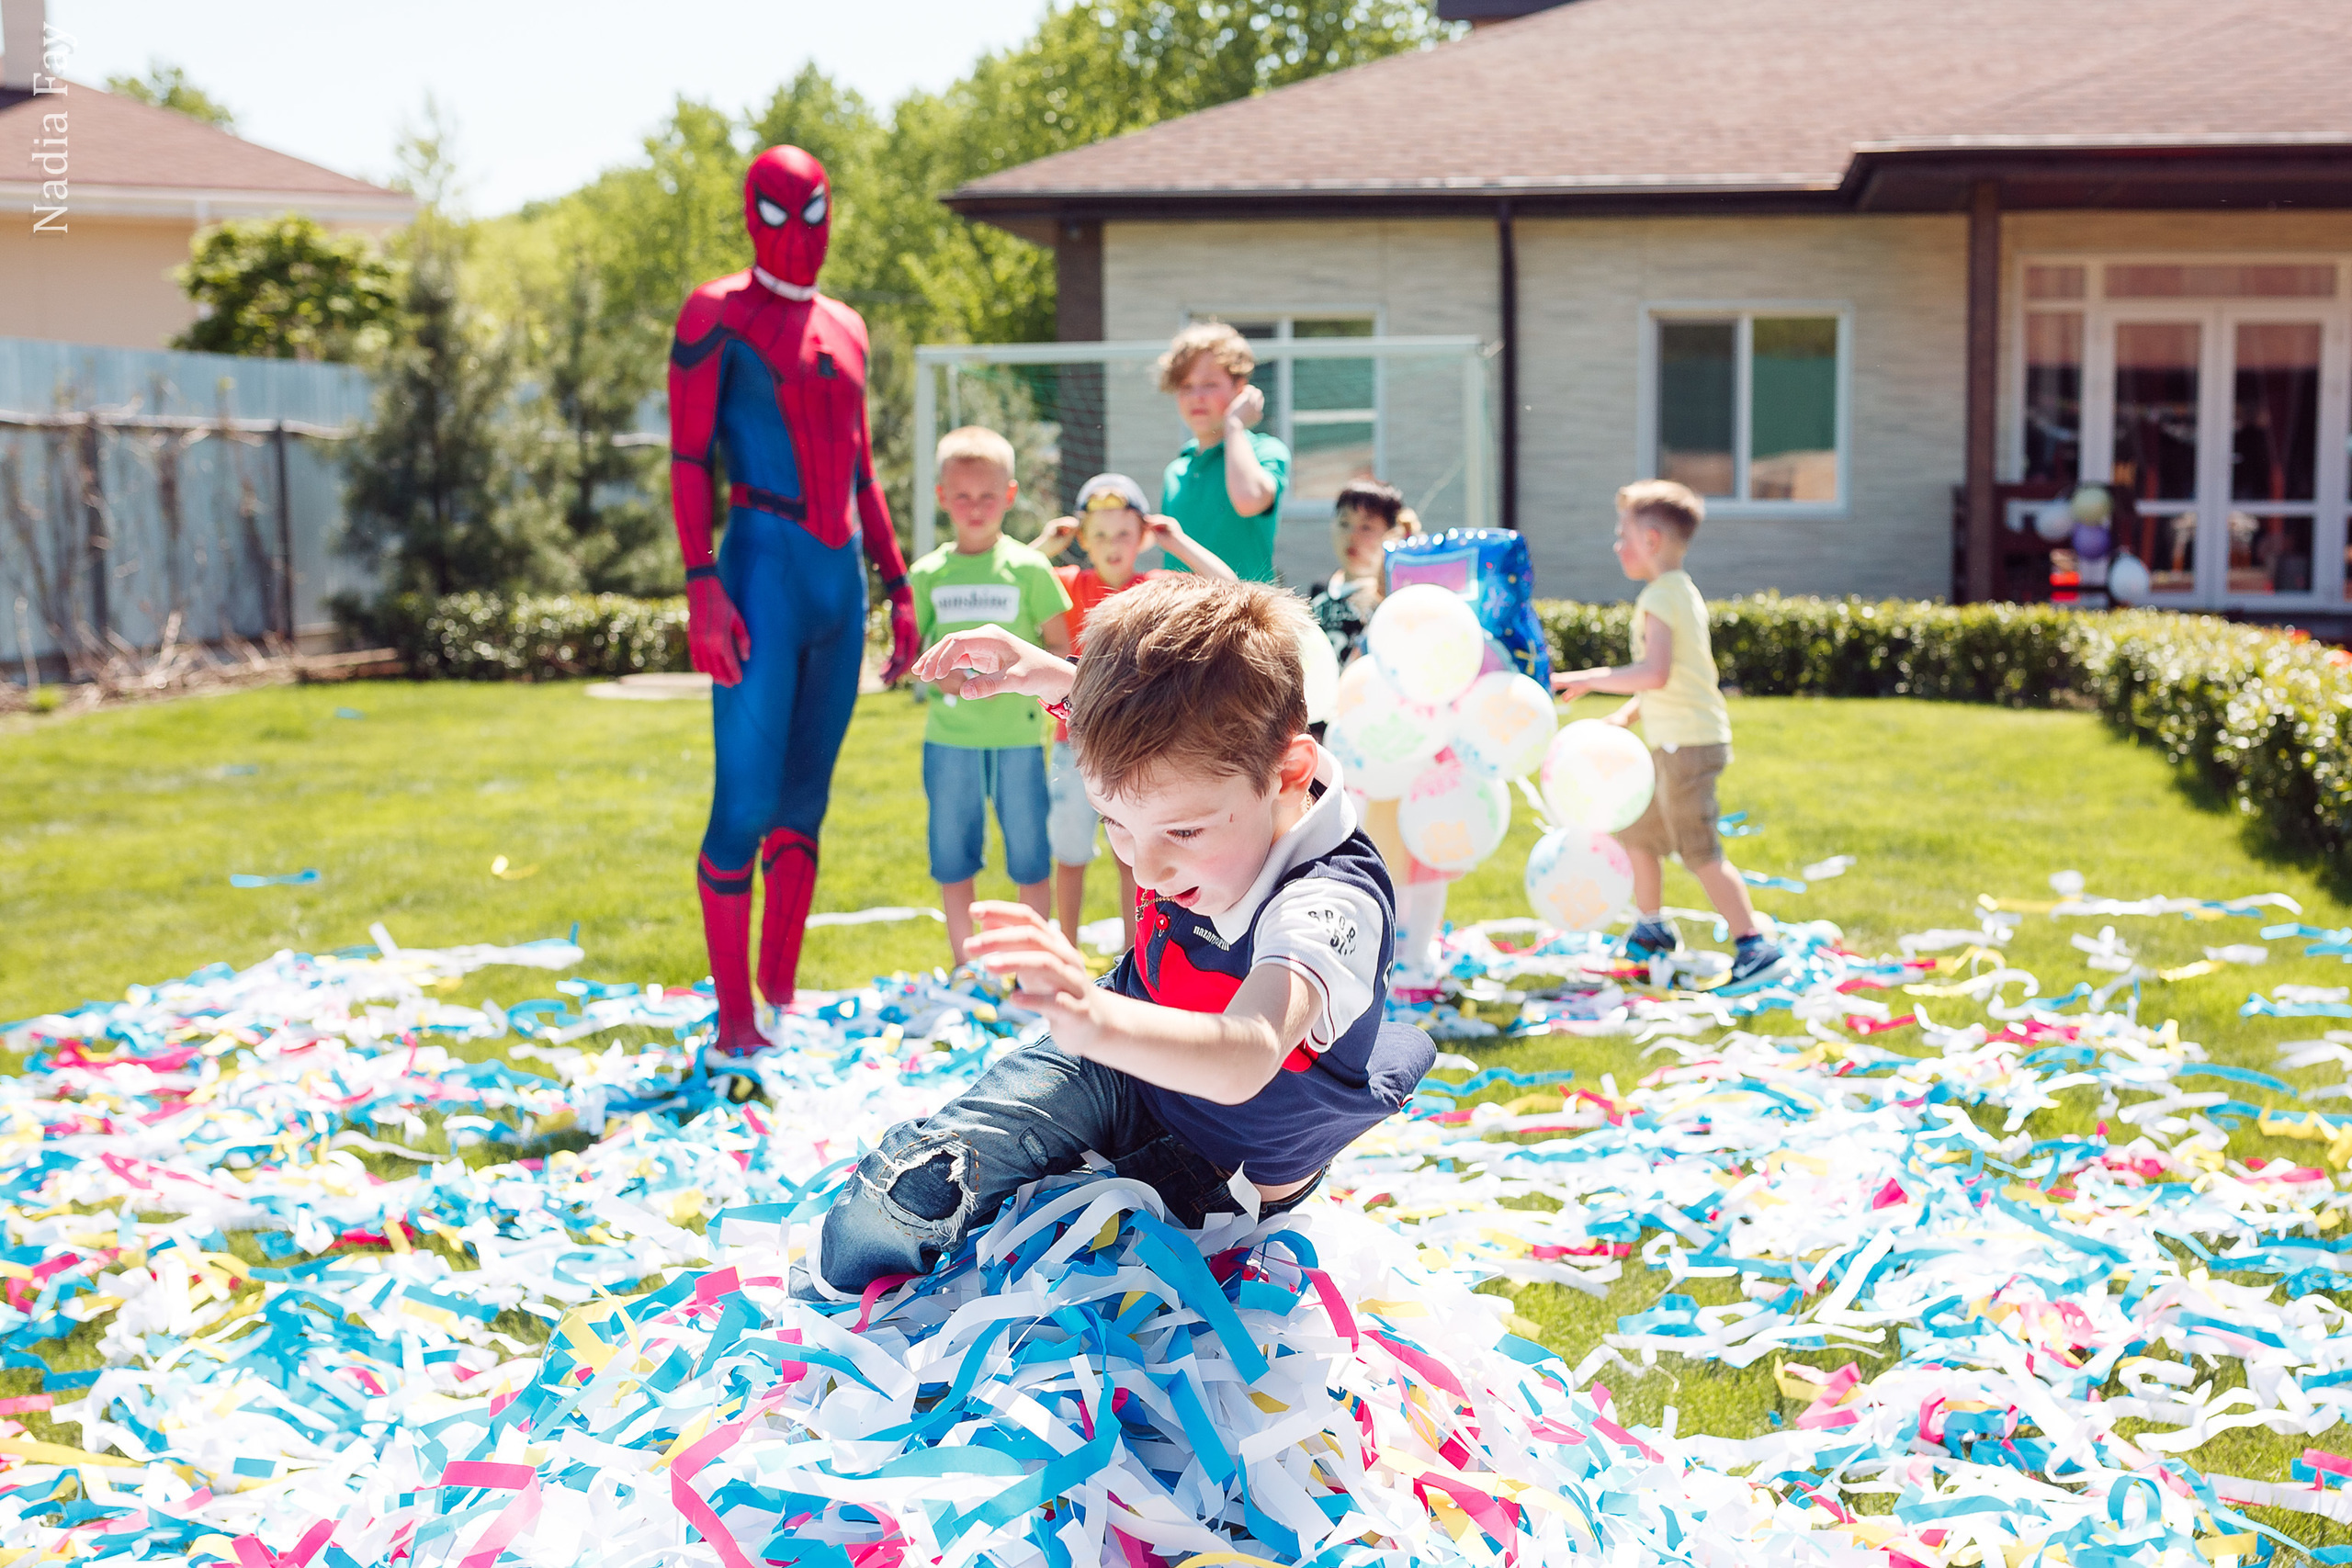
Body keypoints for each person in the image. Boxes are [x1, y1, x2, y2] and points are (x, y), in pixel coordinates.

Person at [801, 576, 1436, 1297]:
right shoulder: (1197, 779)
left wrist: (1093, 1017)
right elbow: (1157, 749)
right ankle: (823, 1312)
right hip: (1124, 1066)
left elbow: (1248, 1055)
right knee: (906, 1192)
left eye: (1183, 832)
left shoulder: (1329, 900)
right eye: (1115, 824)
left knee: (1053, 1287)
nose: (1147, 863)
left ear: (1288, 775)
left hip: (1226, 1171)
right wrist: (1050, 675)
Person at [668, 143, 922, 1056]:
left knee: (803, 809)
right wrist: (702, 586)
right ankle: (735, 1021)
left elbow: (861, 468)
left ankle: (777, 1000)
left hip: (835, 580)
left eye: (814, 212)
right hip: (760, 571)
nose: (797, 233)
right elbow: (688, 457)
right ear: (749, 214)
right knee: (742, 807)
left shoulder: (847, 325)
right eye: (779, 213)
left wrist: (898, 587)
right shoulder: (716, 314)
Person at [1551, 479, 1784, 986]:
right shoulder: (1679, 592)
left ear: (1651, 540)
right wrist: (1629, 716)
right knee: (1639, 832)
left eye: (1623, 535)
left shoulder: (1661, 597)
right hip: (1675, 740)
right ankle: (1651, 927)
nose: (1618, 545)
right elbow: (1677, 676)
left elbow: (1654, 672)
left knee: (1698, 849)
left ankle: (1753, 944)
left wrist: (1590, 679)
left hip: (1687, 746)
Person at [1032, 472, 1238, 953]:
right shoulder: (1065, 584)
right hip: (1073, 749)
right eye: (1099, 535)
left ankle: (1134, 952)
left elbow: (1229, 589)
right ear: (1081, 540)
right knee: (1071, 852)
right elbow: (1003, 578)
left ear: (1143, 537)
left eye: (1124, 533)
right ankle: (1066, 948)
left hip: (1134, 749)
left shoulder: (1156, 586)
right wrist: (1045, 543)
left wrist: (1177, 541)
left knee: (1135, 858)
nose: (1112, 545)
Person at [907, 426, 1072, 965]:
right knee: (952, 857)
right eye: (962, 496)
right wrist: (943, 676)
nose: (974, 508)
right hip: (949, 741)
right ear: (941, 498)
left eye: (987, 496)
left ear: (1009, 496)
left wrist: (1012, 674)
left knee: (1029, 856)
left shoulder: (1030, 569)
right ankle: (966, 966)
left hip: (1019, 740)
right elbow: (913, 655)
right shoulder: (926, 575)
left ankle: (1033, 966)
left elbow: (1060, 650)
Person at [1156, 322, 1289, 583]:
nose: (1197, 397)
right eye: (1186, 386)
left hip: (1245, 618)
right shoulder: (1177, 470)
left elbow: (1248, 500)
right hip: (1183, 619)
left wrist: (1235, 425)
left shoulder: (1266, 451)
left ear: (1240, 388)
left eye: (1209, 384)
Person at [1309, 479, 1417, 665]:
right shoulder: (1322, 589)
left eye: (1366, 527)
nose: (1352, 535)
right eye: (1344, 523)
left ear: (1392, 533)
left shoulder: (1395, 594)